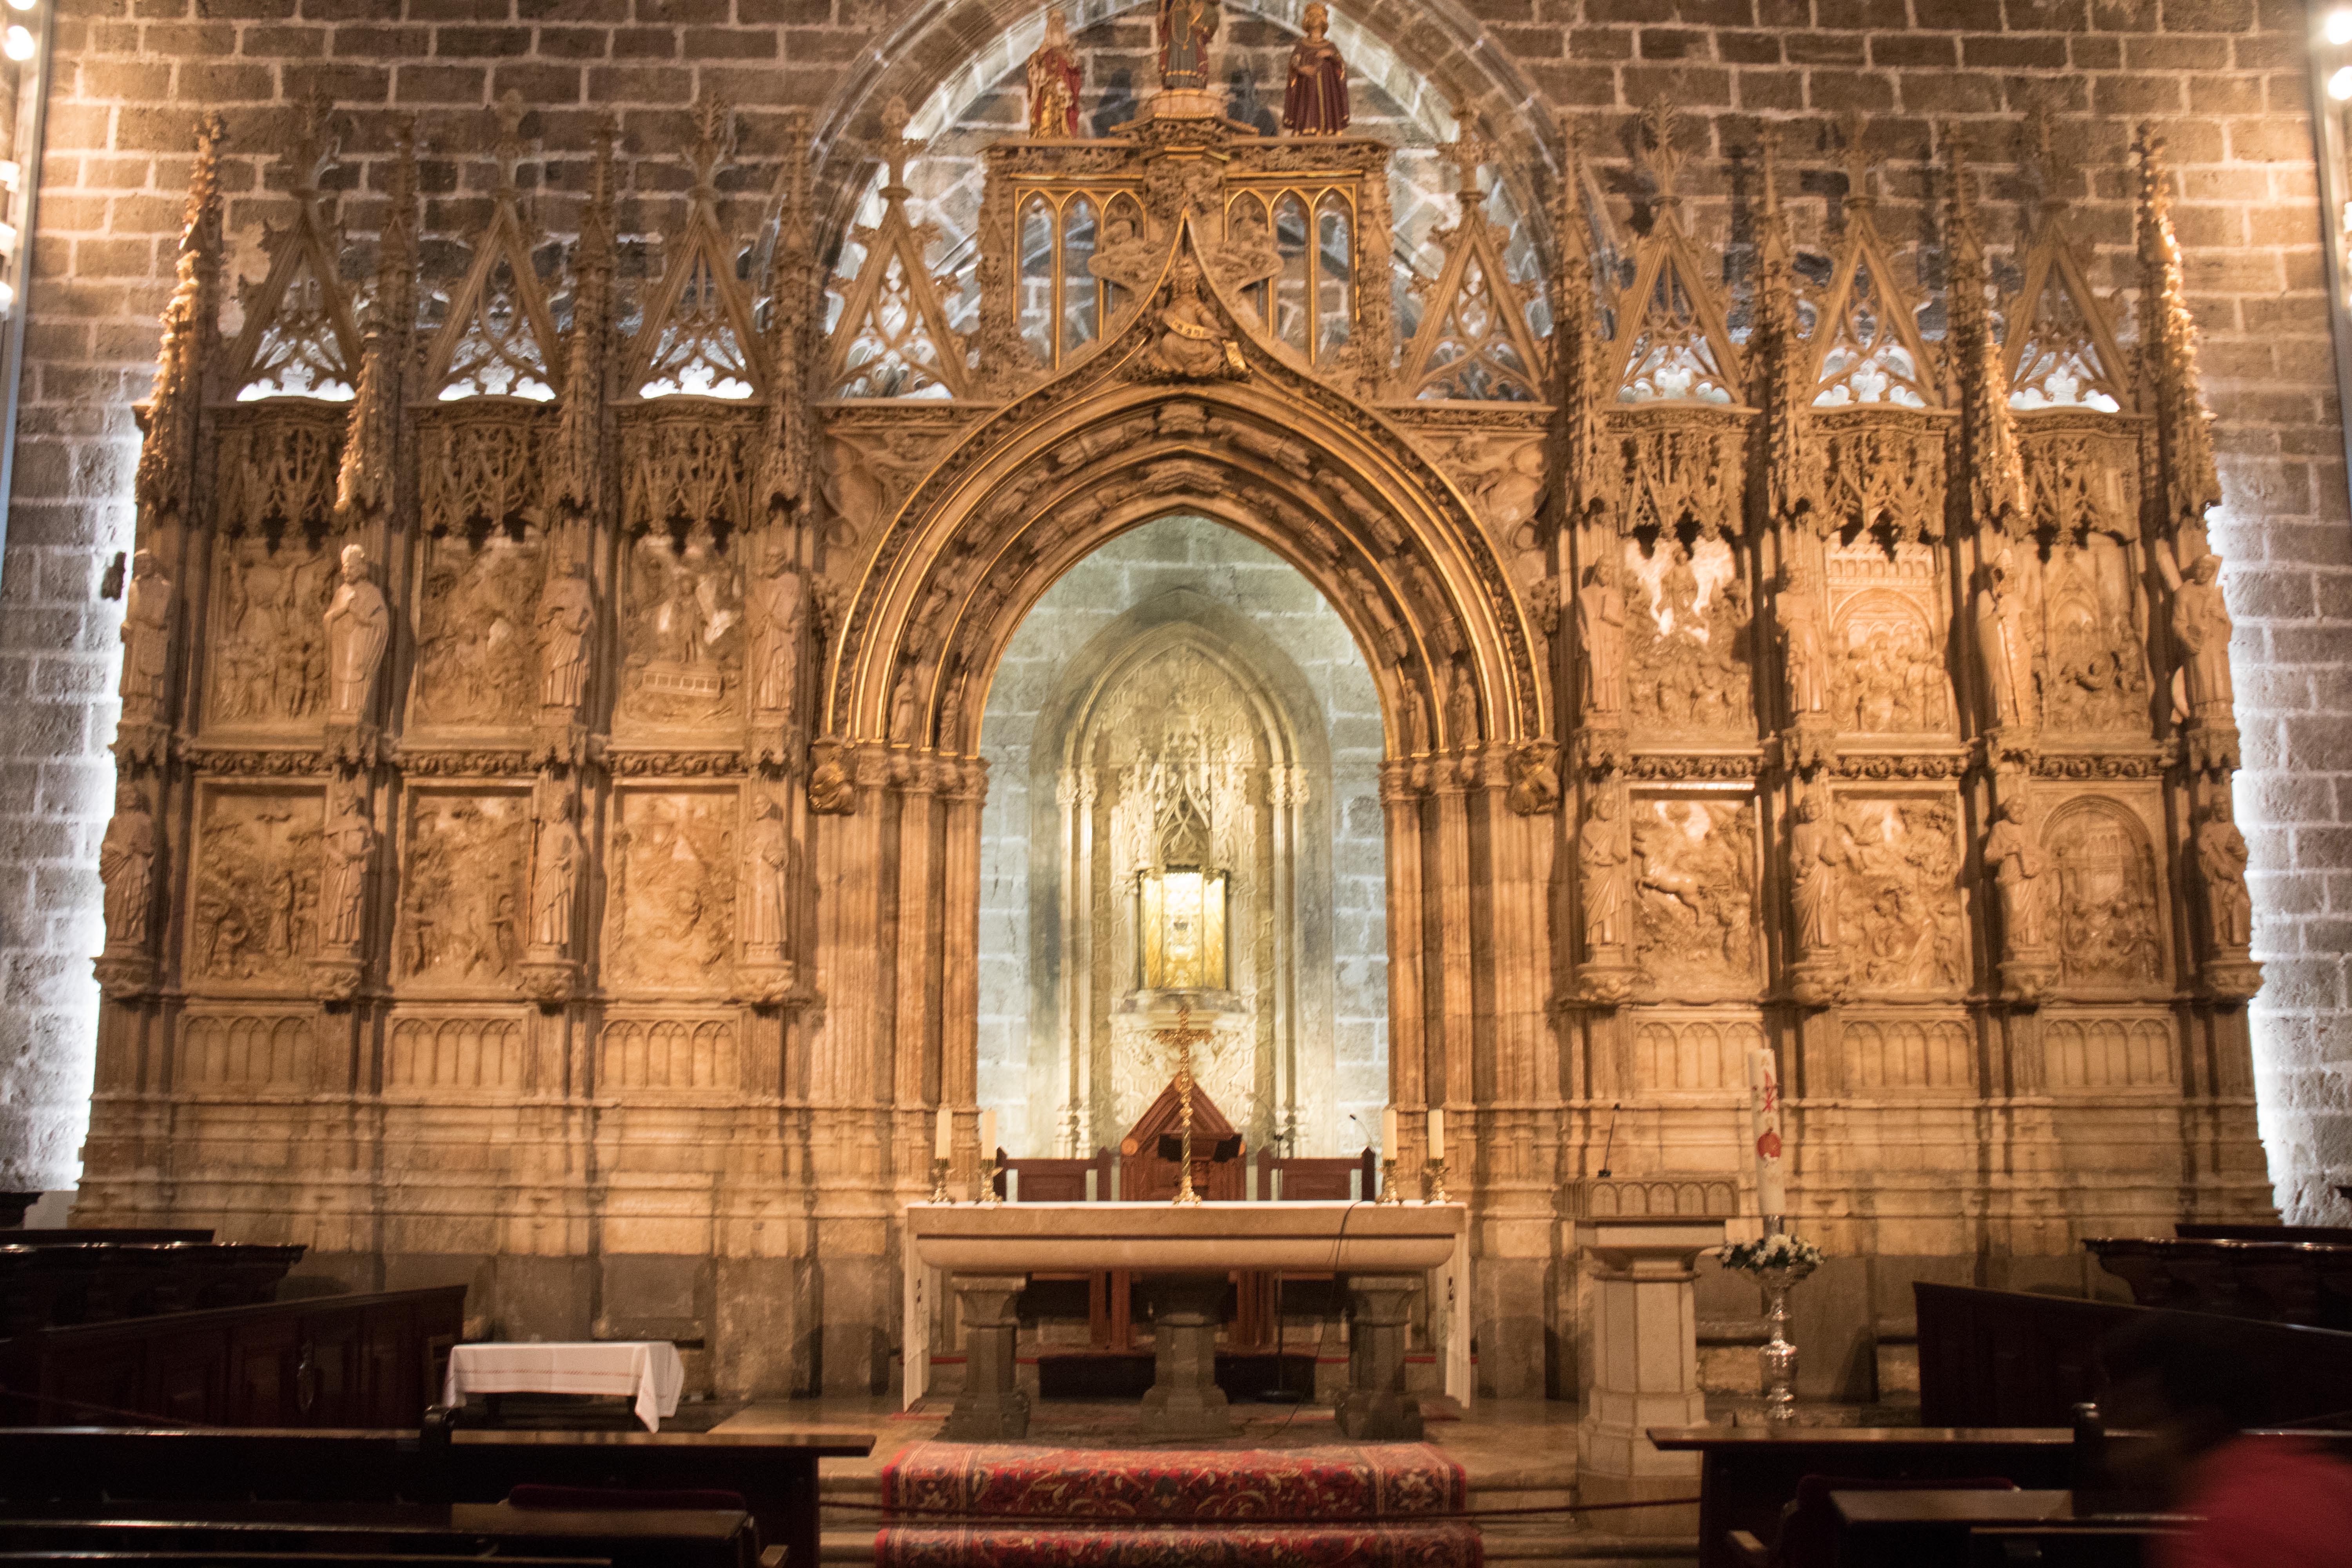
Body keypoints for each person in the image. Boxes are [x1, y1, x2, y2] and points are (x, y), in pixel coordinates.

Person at [2100, 1312, 2352, 1568]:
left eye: (2130, 1416)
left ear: (2194, 1423)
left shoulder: (2205, 1534)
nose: (2111, 1454)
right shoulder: (2335, 1481)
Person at [1282, 3, 1348, 135]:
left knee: (1327, 104)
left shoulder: (1330, 46)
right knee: (1308, 106)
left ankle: (1330, 128)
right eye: (1312, 15)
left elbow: (1341, 66)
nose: (1315, 18)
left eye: (1319, 15)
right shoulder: (1302, 45)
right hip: (1307, 87)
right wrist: (1302, 69)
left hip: (1328, 87)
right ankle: (1306, 128)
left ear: (1324, 20)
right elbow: (1294, 63)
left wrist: (1330, 55)